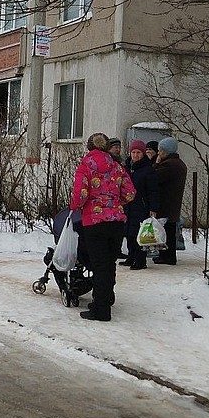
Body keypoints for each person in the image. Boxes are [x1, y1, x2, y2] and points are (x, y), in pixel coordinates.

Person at [70, 132, 136, 321]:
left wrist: (76, 207)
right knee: (109, 264)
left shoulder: (86, 165)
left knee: (99, 266)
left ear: (90, 147)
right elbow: (130, 193)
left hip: (95, 222)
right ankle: (107, 299)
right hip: (116, 221)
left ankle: (101, 310)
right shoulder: (117, 166)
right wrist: (115, 202)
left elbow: (80, 195)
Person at [122, 140, 159, 270]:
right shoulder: (126, 168)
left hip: (141, 206)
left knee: (140, 234)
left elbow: (153, 191)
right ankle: (131, 257)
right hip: (128, 206)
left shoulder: (148, 170)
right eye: (133, 152)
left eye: (138, 152)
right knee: (128, 233)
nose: (135, 155)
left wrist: (153, 208)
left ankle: (140, 260)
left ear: (143, 154)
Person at [153, 136, 188, 265]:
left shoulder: (168, 165)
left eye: (160, 150)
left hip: (166, 202)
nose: (158, 153)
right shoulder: (179, 164)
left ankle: (166, 256)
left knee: (165, 231)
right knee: (170, 230)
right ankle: (168, 256)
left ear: (166, 151)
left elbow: (154, 177)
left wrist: (156, 163)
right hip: (173, 202)